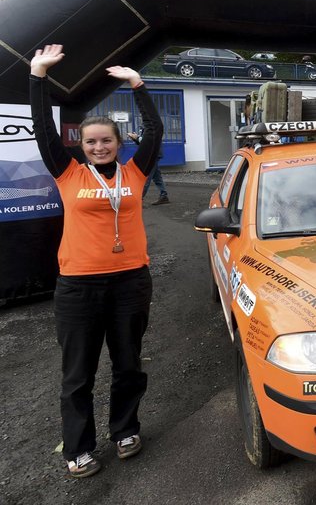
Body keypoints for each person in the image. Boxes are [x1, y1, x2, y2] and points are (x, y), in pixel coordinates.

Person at [30, 44, 162, 478]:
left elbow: (156, 129)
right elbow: (43, 133)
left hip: (130, 281)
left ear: (119, 144)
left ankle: (125, 429)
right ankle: (78, 447)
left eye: (107, 140)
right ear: (81, 146)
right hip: (78, 287)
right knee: (78, 374)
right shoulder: (69, 173)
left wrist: (137, 84)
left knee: (128, 364)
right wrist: (38, 76)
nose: (99, 146)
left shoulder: (136, 173)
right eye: (91, 142)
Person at [127, 128, 169, 205]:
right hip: (152, 154)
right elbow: (143, 142)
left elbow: (149, 141)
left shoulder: (152, 125)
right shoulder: (147, 126)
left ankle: (138, 199)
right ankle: (164, 196)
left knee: (146, 176)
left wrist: (137, 137)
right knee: (156, 176)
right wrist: (135, 138)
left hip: (152, 154)